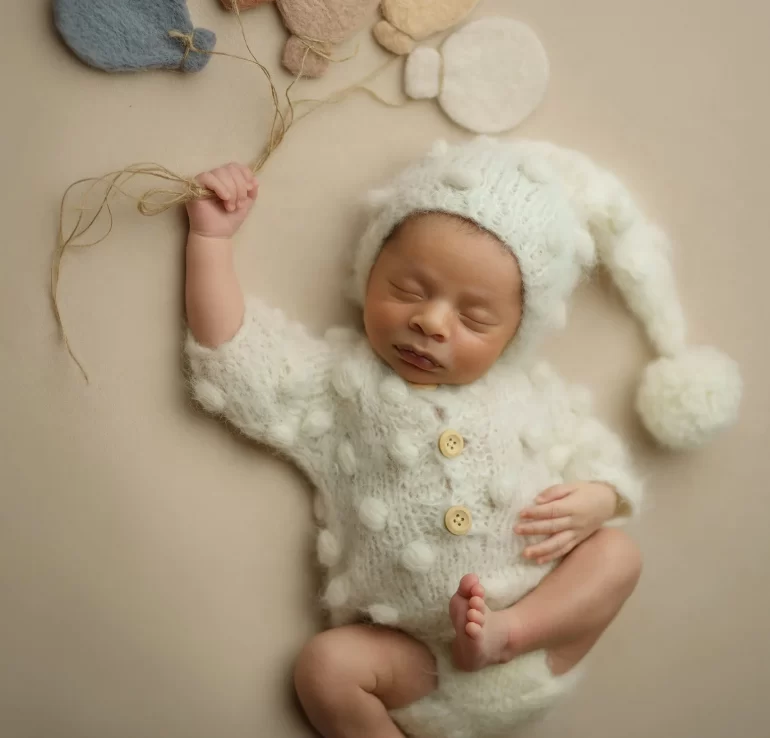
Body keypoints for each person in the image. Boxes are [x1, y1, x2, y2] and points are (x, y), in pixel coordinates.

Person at [183, 137, 740, 738]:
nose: (432, 322)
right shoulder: (341, 388)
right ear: (370, 272)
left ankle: (507, 634)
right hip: (419, 661)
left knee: (617, 555)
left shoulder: (530, 393)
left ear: (515, 336)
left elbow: (601, 459)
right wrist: (210, 243)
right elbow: (238, 361)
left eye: (474, 318)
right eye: (408, 290)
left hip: (540, 638)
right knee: (324, 668)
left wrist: (600, 498)